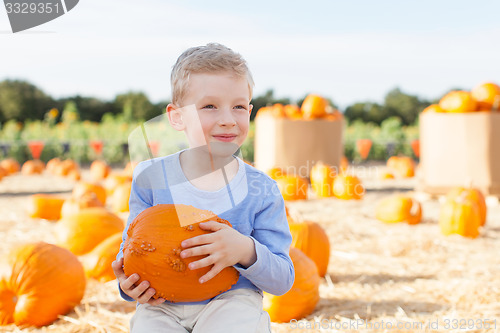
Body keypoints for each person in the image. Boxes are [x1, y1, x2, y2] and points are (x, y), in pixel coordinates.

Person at [112, 43, 294, 333]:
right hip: (162, 304)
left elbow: (283, 279)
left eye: (238, 107)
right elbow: (134, 249)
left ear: (249, 111)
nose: (227, 119)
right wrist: (128, 285)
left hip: (231, 301)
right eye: (210, 106)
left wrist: (245, 250)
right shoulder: (150, 178)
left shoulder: (262, 189)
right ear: (177, 117)